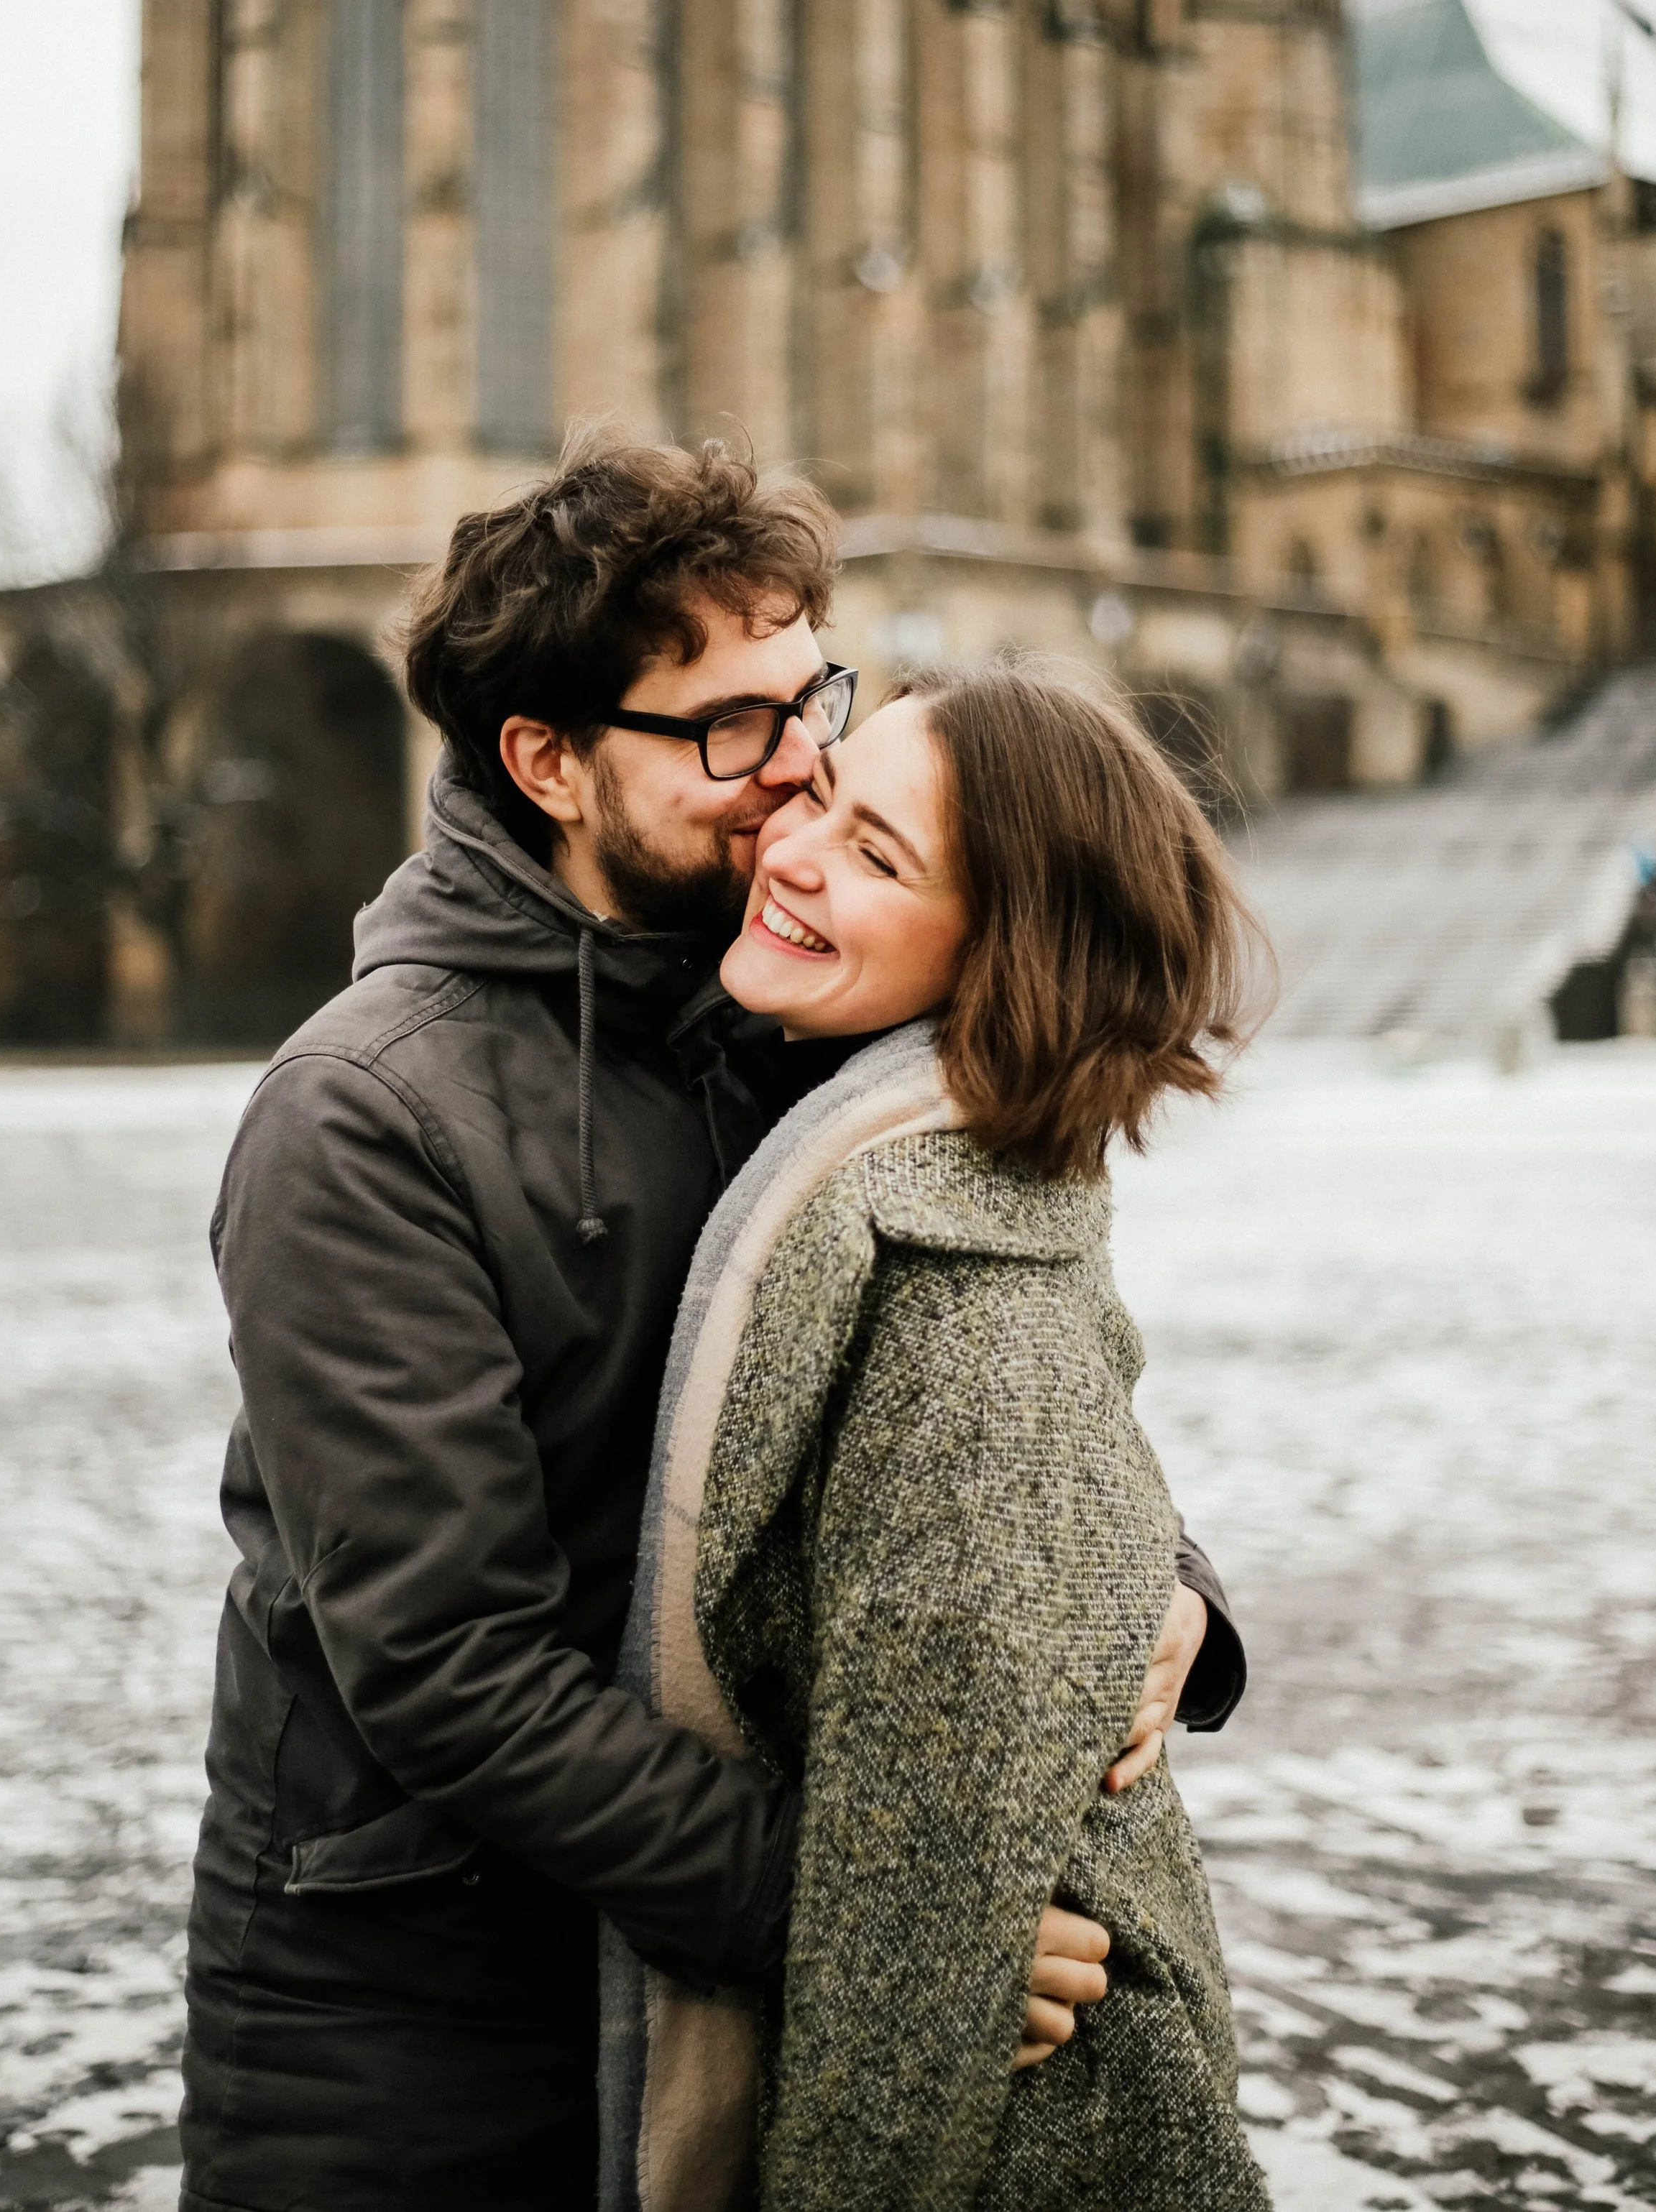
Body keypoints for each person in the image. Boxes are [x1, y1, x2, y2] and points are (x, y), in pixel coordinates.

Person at [180, 436, 1245, 2212]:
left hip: (688, 1977)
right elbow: (448, 1667)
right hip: (418, 2025)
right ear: (547, 762)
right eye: (728, 729)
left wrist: (1174, 1597)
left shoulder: (792, 1028)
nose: (800, 765)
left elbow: (991, 1373)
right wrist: (885, 1925)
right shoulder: (365, 1113)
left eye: (809, 693)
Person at [605, 660, 1271, 2212]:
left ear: (1001, 953)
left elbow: (908, 1991)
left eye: (877, 856)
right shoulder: (917, 1181)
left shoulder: (961, 1317)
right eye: (824, 795)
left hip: (1047, 2134)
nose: (792, 846)